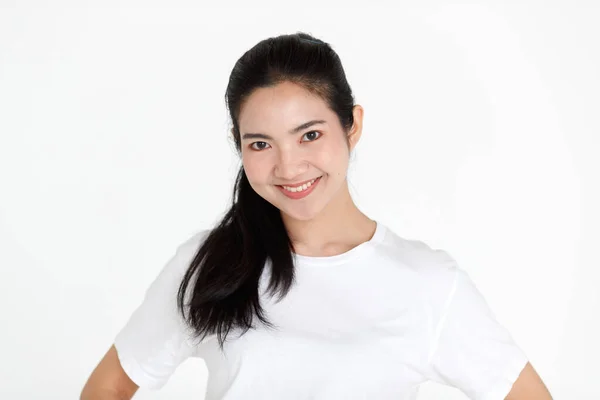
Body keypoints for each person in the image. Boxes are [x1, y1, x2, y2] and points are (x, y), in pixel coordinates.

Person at [80, 32, 552, 400]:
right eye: (261, 144)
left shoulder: (428, 283)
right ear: (239, 147)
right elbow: (108, 388)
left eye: (309, 135)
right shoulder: (213, 263)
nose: (288, 167)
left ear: (353, 125)